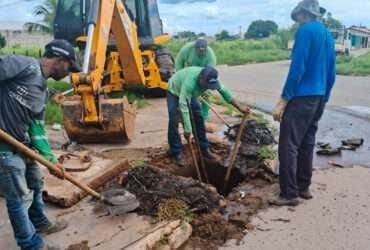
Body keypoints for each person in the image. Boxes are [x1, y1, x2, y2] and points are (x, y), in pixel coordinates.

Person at [0, 39, 80, 250]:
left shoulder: (42, 91)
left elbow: (37, 129)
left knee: (35, 183)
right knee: (18, 198)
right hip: (3, 147)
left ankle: (40, 223)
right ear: (60, 60)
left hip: (22, 144)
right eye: (69, 67)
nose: (69, 72)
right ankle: (31, 245)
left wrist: (51, 160)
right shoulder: (22, 65)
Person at [270, 0, 336, 206]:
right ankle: (303, 187)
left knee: (288, 145)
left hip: (301, 97)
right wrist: (324, 98)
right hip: (319, 97)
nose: (297, 21)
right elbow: (332, 72)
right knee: (307, 142)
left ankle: (289, 194)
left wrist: (284, 98)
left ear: (303, 14)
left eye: (297, 17)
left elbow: (297, 69)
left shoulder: (306, 31)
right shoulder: (326, 34)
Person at [167, 66, 249, 166]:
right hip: (174, 91)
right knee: (173, 119)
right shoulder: (190, 82)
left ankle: (204, 148)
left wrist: (240, 108)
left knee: (198, 117)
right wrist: (187, 129)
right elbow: (183, 106)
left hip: (191, 94)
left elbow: (226, 93)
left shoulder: (212, 79)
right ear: (201, 78)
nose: (207, 88)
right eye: (206, 85)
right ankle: (176, 152)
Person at [175, 38, 217, 120]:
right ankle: (184, 114)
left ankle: (204, 117)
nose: (200, 52)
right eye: (198, 50)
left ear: (206, 49)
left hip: (204, 75)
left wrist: (202, 88)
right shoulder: (187, 49)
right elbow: (179, 62)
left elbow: (209, 73)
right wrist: (181, 77)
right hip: (189, 74)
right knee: (185, 94)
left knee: (206, 94)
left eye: (203, 50)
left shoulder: (211, 56)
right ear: (195, 47)